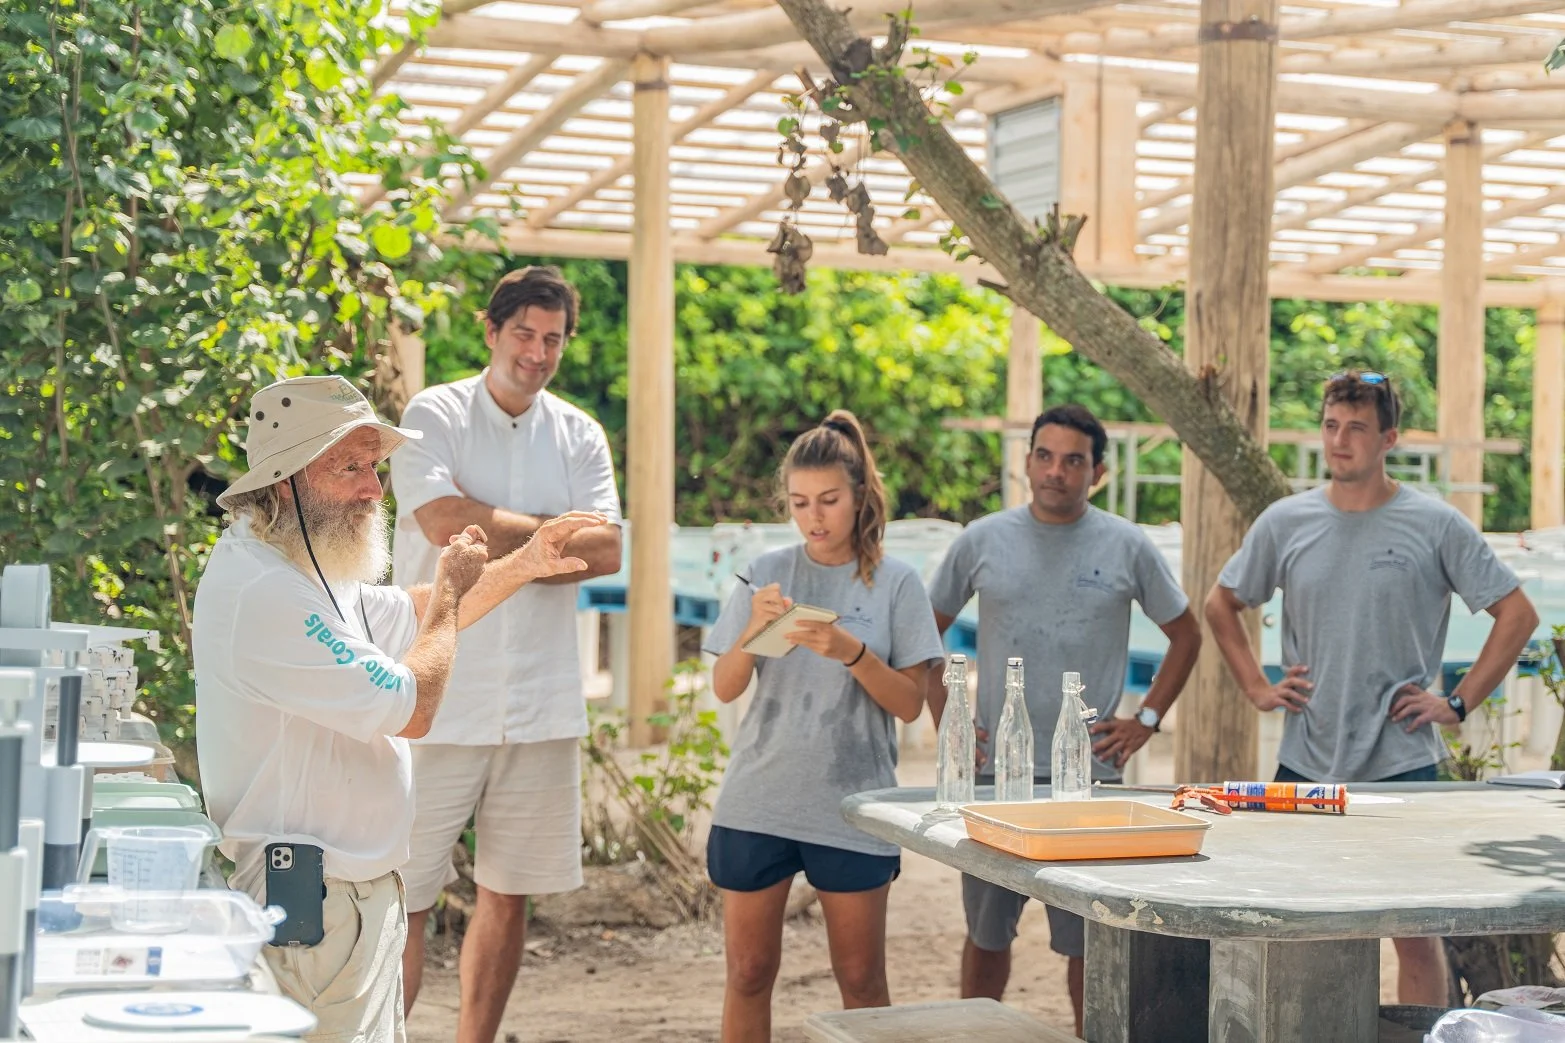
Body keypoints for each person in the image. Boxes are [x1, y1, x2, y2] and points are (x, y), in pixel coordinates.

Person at [195, 374, 602, 1042]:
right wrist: (449, 594)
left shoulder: (298, 561)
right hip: (313, 907)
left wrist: (523, 563)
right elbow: (410, 705)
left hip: (341, 898)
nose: (373, 489)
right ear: (284, 478)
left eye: (375, 467)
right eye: (348, 467)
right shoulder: (264, 589)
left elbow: (408, 611)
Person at [1205, 369, 1539, 1006]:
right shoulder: (1285, 521)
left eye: (1357, 428)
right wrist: (1256, 685)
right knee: (1290, 927)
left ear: (1389, 438)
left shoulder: (1435, 524)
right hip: (1306, 763)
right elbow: (1221, 604)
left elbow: (1517, 616)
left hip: (1406, 763)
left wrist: (1457, 702)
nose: (1340, 440)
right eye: (1332, 426)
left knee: (1414, 934)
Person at [391, 266, 623, 1043]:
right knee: (402, 890)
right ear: (491, 332)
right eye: (524, 332)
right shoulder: (433, 412)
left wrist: (499, 528)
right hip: (435, 690)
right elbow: (438, 520)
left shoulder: (580, 431)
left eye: (552, 337)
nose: (537, 350)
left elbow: (608, 550)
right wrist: (554, 532)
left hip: (541, 698)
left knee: (509, 889)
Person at [925, 403, 1201, 1037]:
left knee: (1088, 945)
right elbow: (922, 634)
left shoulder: (1127, 544)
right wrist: (953, 723)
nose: (1056, 471)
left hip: (1088, 781)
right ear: (1026, 463)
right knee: (987, 934)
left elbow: (1186, 634)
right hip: (999, 781)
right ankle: (976, 1033)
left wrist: (1147, 718)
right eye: (1044, 457)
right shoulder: (982, 539)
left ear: (1096, 472)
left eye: (1073, 460)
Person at [704, 410, 946, 1043]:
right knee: (749, 972)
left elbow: (909, 705)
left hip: (854, 804)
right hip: (758, 798)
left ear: (860, 495)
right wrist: (755, 635)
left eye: (830, 500)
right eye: (800, 502)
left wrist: (850, 652)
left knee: (862, 980)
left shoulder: (897, 583)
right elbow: (725, 686)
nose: (814, 517)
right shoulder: (765, 571)